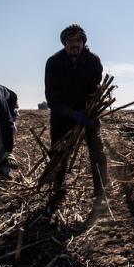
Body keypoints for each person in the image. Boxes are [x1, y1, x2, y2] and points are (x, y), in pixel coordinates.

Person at [45, 24, 108, 196]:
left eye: (78, 40)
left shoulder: (93, 61)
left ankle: (101, 190)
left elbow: (95, 88)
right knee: (59, 153)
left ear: (83, 42)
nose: (75, 44)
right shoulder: (54, 63)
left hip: (88, 113)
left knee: (96, 150)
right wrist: (72, 114)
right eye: (70, 41)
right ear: (64, 43)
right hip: (62, 115)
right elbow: (51, 98)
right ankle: (57, 189)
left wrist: (90, 109)